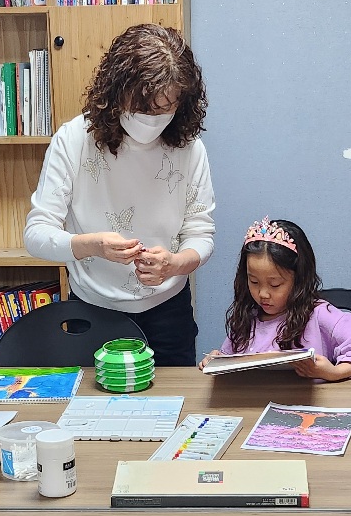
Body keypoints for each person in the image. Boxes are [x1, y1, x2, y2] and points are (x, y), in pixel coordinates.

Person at [23, 23, 214, 366]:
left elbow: (201, 234)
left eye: (166, 108)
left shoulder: (189, 147)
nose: (153, 119)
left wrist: (175, 264)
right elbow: (36, 235)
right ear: (116, 92)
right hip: (93, 311)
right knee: (92, 399)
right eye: (144, 108)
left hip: (168, 312)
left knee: (174, 396)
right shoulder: (74, 140)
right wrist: (92, 245)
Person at [202, 218, 351, 381]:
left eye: (275, 284)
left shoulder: (318, 315)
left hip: (304, 407)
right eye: (254, 282)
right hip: (253, 407)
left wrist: (334, 372)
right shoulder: (247, 319)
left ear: (299, 279)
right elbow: (230, 362)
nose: (263, 294)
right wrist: (217, 360)